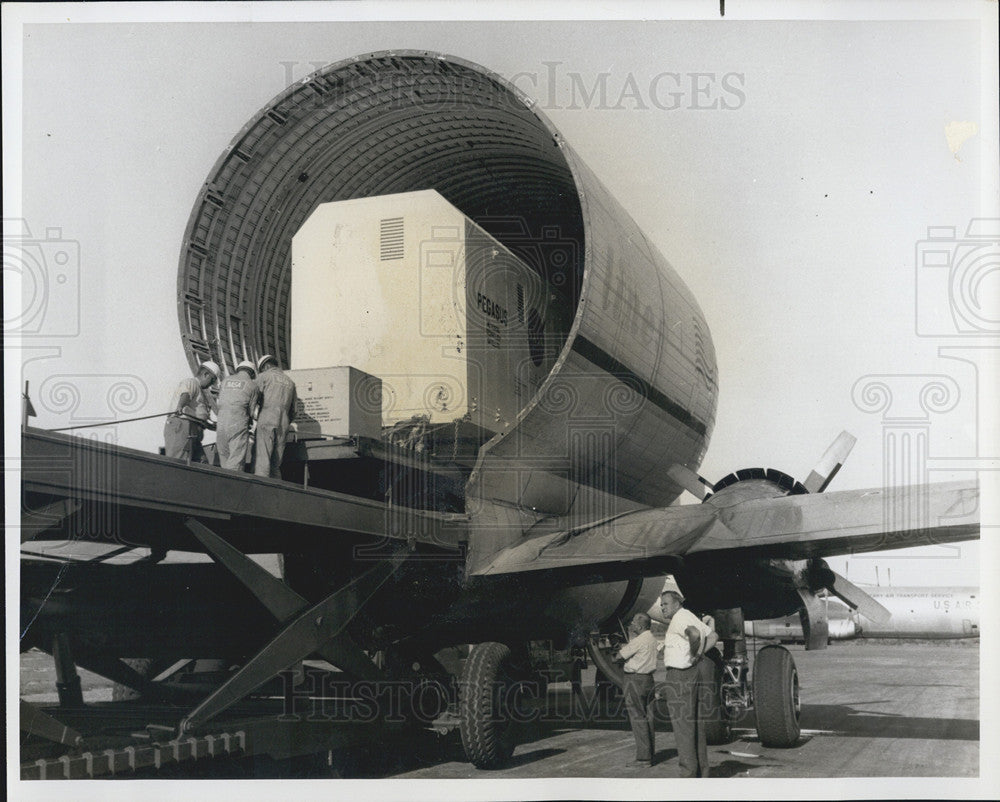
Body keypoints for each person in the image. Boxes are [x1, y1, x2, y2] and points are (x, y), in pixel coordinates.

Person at [658, 575, 718, 778]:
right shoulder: (688, 614)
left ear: (676, 603)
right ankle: (702, 772)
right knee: (696, 727)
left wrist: (695, 652)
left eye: (665, 604)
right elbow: (713, 635)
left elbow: (693, 634)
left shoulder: (679, 619)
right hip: (692, 674)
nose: (662, 608)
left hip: (678, 676)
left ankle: (688, 775)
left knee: (682, 727)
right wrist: (699, 654)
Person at [616, 612, 662, 768]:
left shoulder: (638, 641)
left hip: (634, 680)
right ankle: (650, 754)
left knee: (637, 718)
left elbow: (618, 657)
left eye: (634, 623)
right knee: (648, 718)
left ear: (641, 625)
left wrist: (617, 652)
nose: (631, 625)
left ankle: (643, 758)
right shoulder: (652, 639)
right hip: (649, 679)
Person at [163, 360, 219, 462]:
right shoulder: (191, 382)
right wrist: (180, 406)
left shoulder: (201, 391)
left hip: (194, 430)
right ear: (205, 374)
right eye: (212, 380)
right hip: (182, 425)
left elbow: (197, 413)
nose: (212, 384)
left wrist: (210, 425)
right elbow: (186, 394)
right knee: (179, 459)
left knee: (202, 462)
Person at [253, 354, 297, 478]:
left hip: (267, 416)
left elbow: (252, 397)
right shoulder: (290, 382)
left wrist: (253, 415)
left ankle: (261, 491)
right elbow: (294, 411)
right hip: (284, 422)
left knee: (262, 459)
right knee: (276, 463)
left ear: (266, 366)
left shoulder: (264, 376)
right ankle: (276, 489)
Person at [216, 359, 260, 471]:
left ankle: (224, 482)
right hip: (238, 421)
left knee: (224, 455)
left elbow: (220, 401)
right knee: (236, 458)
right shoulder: (253, 385)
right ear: (252, 373)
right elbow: (251, 410)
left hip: (221, 422)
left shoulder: (225, 381)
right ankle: (233, 485)